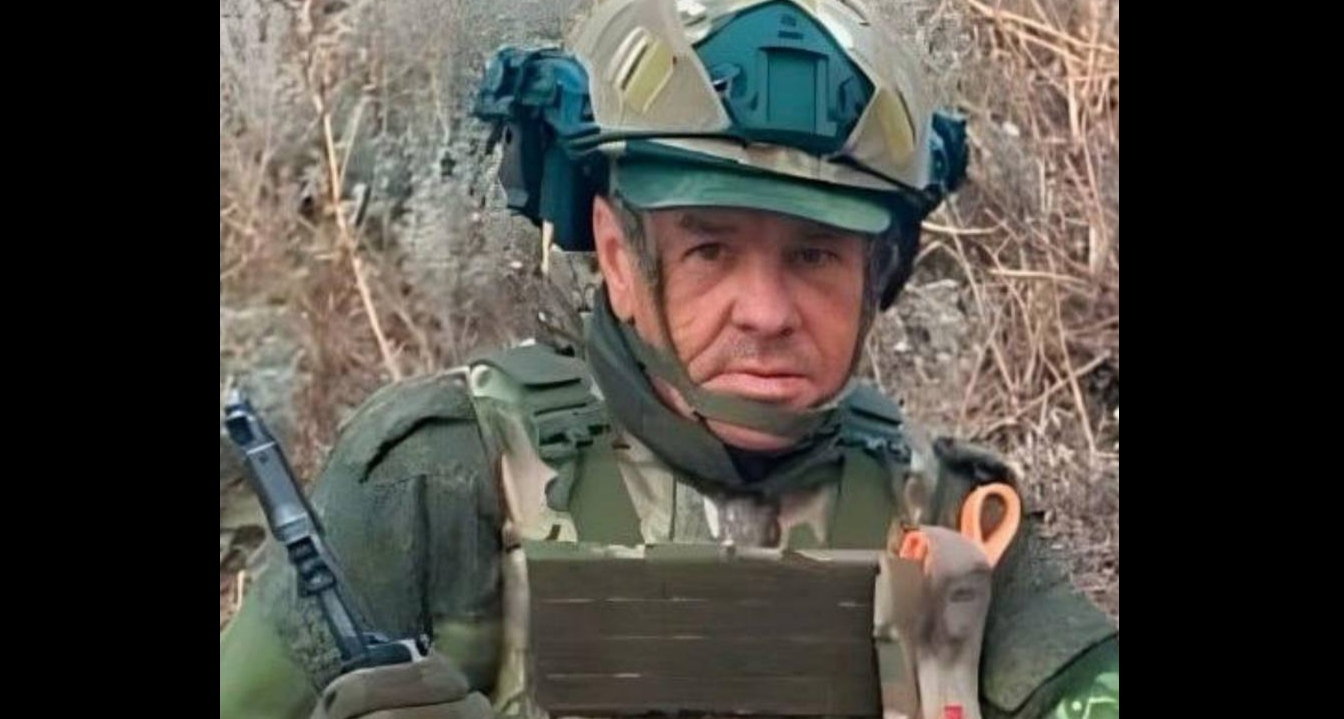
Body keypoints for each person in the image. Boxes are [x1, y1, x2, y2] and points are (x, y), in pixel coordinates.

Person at [219, 1, 1118, 717]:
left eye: (814, 255)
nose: (767, 312)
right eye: (710, 250)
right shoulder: (442, 479)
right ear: (618, 254)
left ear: (876, 272)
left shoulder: (952, 515)